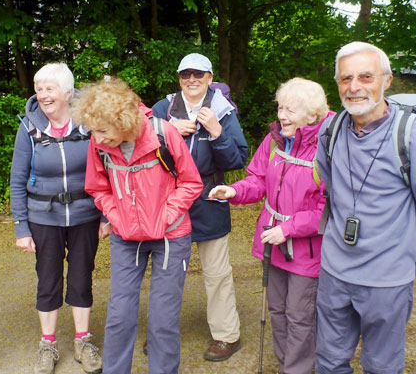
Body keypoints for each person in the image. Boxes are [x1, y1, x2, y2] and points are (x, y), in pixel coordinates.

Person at [314, 42, 416, 374]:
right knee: (328, 361)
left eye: (366, 76)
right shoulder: (331, 130)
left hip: (387, 279)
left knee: (382, 366)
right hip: (334, 273)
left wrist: (410, 264)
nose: (354, 87)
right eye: (345, 78)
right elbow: (331, 185)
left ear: (387, 80)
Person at [71, 78, 203, 374]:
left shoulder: (163, 133)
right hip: (125, 235)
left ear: (124, 121)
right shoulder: (99, 143)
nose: (98, 139)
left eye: (103, 131)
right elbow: (97, 188)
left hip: (170, 236)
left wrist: (166, 215)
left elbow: (191, 182)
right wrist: (116, 216)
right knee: (119, 315)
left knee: (163, 319)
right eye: (94, 131)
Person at [209, 78, 331, 373]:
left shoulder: (327, 149)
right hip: (272, 243)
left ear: (312, 115)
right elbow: (258, 179)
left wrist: (288, 230)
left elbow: (327, 209)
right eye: (280, 107)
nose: (282, 115)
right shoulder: (275, 141)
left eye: (291, 110)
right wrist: (234, 191)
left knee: (300, 315)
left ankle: (297, 369)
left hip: (306, 251)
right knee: (276, 310)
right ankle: (285, 362)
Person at [152, 53, 248, 361]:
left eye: (199, 74)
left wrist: (217, 133)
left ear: (209, 77)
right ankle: (160, 336)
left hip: (209, 197)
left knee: (217, 272)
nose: (191, 80)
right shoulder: (162, 109)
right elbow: (138, 151)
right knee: (166, 274)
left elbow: (237, 160)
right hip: (168, 198)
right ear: (178, 77)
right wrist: (167, 133)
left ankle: (226, 336)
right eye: (185, 74)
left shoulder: (223, 110)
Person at [10, 63, 104, 374]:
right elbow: (17, 178)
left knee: (81, 275)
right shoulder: (29, 128)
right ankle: (47, 344)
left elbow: (106, 169)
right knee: (47, 279)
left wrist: (106, 215)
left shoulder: (89, 123)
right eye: (38, 89)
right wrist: (21, 226)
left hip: (84, 215)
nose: (43, 95)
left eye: (49, 88)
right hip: (43, 217)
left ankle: (82, 340)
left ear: (67, 92)